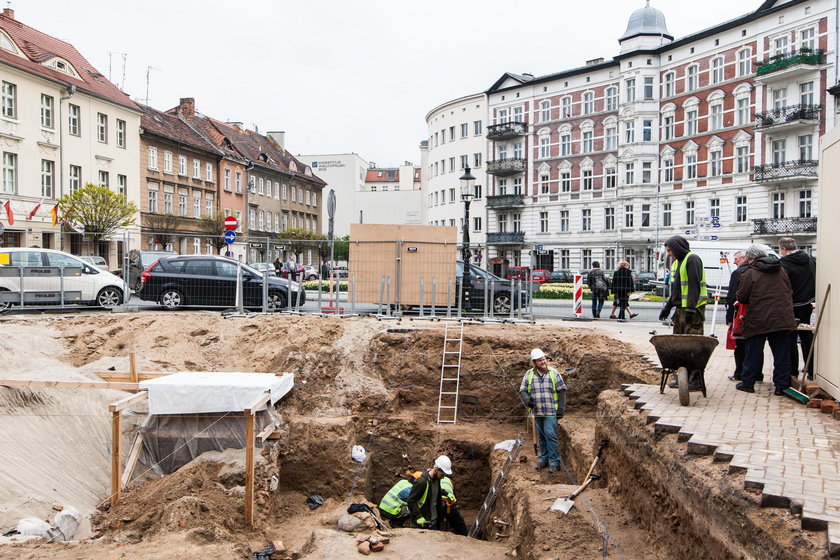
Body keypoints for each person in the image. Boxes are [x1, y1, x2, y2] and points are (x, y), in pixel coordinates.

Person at [735, 245, 796, 395]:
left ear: (751, 258)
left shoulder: (751, 272)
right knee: (782, 353)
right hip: (782, 317)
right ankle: (781, 386)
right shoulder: (781, 269)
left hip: (758, 318)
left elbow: (742, 297)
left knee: (754, 351)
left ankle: (748, 383)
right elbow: (790, 290)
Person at [518, 348, 567, 474]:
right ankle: (544, 460)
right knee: (541, 437)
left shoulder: (554, 373)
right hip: (537, 412)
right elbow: (522, 390)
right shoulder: (529, 374)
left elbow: (562, 390)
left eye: (544, 359)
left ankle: (555, 462)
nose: (543, 361)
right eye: (540, 360)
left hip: (551, 411)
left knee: (550, 435)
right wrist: (527, 400)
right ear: (534, 362)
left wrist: (561, 408)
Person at [779, 237, 816, 380]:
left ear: (783, 249)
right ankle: (811, 369)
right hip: (806, 304)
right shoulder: (810, 260)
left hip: (790, 306)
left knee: (790, 339)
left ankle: (792, 372)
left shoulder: (783, 264)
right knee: (807, 337)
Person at [725, 250, 763, 382]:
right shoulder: (760, 271)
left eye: (736, 259)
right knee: (756, 345)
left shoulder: (739, 273)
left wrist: (729, 318)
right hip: (759, 314)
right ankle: (757, 373)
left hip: (742, 313)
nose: (734, 261)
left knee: (740, 345)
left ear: (744, 258)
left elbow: (732, 297)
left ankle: (739, 373)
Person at [658, 235, 707, 334]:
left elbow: (694, 286)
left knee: (691, 340)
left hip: (693, 309)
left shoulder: (692, 259)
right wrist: (668, 307)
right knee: (679, 340)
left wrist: (691, 309)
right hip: (683, 308)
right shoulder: (680, 261)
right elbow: (677, 289)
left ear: (677, 248)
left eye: (669, 250)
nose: (668, 254)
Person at [407, 455, 452, 530]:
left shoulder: (437, 479)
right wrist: (418, 517)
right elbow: (411, 500)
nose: (443, 477)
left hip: (434, 521)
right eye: (442, 475)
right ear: (436, 469)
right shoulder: (422, 482)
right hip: (423, 523)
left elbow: (434, 491)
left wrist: (447, 493)